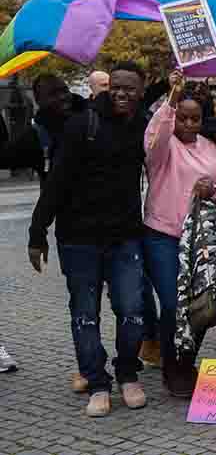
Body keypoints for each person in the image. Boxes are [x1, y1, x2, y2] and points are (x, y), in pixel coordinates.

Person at [28, 61, 150, 417]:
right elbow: (56, 182)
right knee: (85, 314)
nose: (122, 93)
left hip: (125, 237)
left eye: (131, 87)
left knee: (132, 310)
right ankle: (97, 382)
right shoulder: (83, 125)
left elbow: (184, 132)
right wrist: (38, 234)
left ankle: (128, 373)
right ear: (108, 87)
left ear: (142, 92)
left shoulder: (143, 125)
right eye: (117, 86)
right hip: (78, 238)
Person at [143, 70, 216, 397]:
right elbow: (156, 133)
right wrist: (172, 96)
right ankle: (172, 367)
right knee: (172, 304)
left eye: (194, 119)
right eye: (182, 118)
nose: (188, 124)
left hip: (202, 240)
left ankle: (185, 363)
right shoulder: (162, 146)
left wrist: (213, 190)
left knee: (199, 304)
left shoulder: (211, 147)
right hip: (164, 236)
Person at [0, 74, 87, 181]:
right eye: (53, 94)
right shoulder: (36, 137)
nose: (62, 97)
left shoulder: (93, 120)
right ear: (39, 101)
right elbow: (3, 157)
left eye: (64, 90)